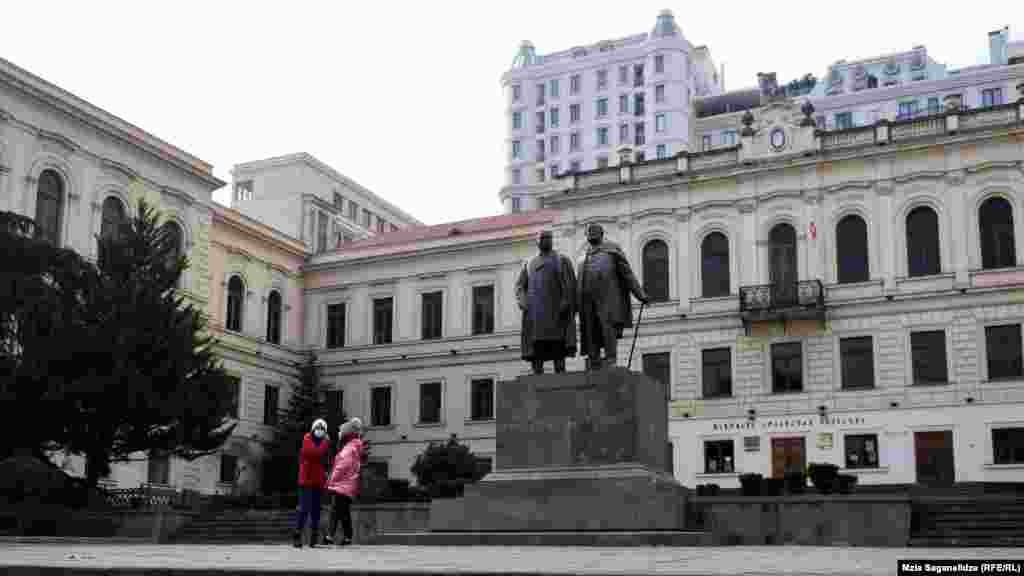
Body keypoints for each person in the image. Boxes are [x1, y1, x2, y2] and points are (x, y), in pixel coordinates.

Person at [577, 223, 649, 370]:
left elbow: (627, 274)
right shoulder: (583, 257)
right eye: (590, 232)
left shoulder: (612, 251)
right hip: (588, 302)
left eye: (595, 231)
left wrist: (640, 294)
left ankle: (611, 360)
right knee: (591, 332)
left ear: (602, 234)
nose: (592, 234)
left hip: (608, 299)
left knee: (607, 329)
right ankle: (594, 361)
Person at [515, 230, 577, 374]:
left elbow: (570, 284)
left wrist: (566, 301)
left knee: (559, 348)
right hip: (535, 314)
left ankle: (560, 373)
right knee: (537, 350)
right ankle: (537, 372)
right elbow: (520, 286)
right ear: (538, 242)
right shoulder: (529, 263)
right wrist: (522, 300)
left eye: (548, 238)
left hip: (556, 312)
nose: (546, 240)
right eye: (543, 238)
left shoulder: (561, 260)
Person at [324, 418, 367, 546]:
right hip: (348, 485)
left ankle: (329, 536)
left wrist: (331, 480)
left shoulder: (349, 448)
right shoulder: (354, 446)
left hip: (341, 485)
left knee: (336, 510)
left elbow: (342, 466)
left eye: (341, 433)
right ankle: (347, 537)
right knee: (343, 512)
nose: (339, 436)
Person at [293, 418, 329, 548]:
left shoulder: (325, 442)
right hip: (306, 480)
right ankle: (297, 535)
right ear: (313, 429)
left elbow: (325, 459)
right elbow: (314, 452)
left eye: (322, 428)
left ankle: (314, 537)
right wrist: (325, 443)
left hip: (318, 481)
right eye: (318, 428)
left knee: (316, 511)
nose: (320, 430)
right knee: (303, 509)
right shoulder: (307, 438)